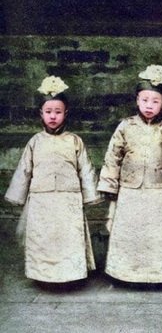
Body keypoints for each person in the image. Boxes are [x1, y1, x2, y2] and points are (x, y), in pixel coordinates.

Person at [97, 65, 162, 284]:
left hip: (160, 192)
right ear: (137, 101)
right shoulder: (125, 127)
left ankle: (161, 275)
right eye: (145, 100)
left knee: (158, 235)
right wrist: (110, 186)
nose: (149, 105)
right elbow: (113, 157)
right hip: (131, 192)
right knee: (132, 234)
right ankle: (126, 275)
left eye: (155, 101)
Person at [5, 76, 100, 284]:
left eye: (58, 112)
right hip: (42, 200)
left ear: (66, 113)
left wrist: (90, 195)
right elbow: (25, 170)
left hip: (69, 200)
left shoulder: (75, 141)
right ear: (41, 114)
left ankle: (71, 275)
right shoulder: (35, 142)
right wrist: (17, 197)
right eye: (48, 112)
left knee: (68, 238)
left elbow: (85, 169)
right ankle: (43, 275)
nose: (53, 117)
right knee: (43, 239)